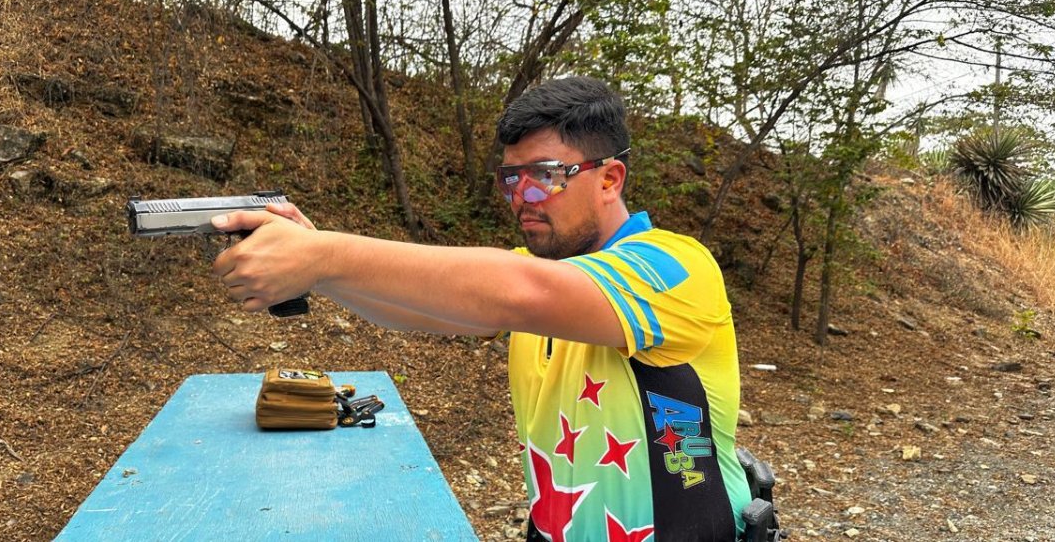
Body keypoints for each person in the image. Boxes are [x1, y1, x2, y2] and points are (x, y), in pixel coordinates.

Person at [211, 76, 752, 541]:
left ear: (609, 179)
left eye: (544, 174)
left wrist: (325, 253)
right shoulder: (541, 281)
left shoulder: (675, 267)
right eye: (511, 178)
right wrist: (319, 264)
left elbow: (516, 290)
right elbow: (431, 308)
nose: (522, 196)